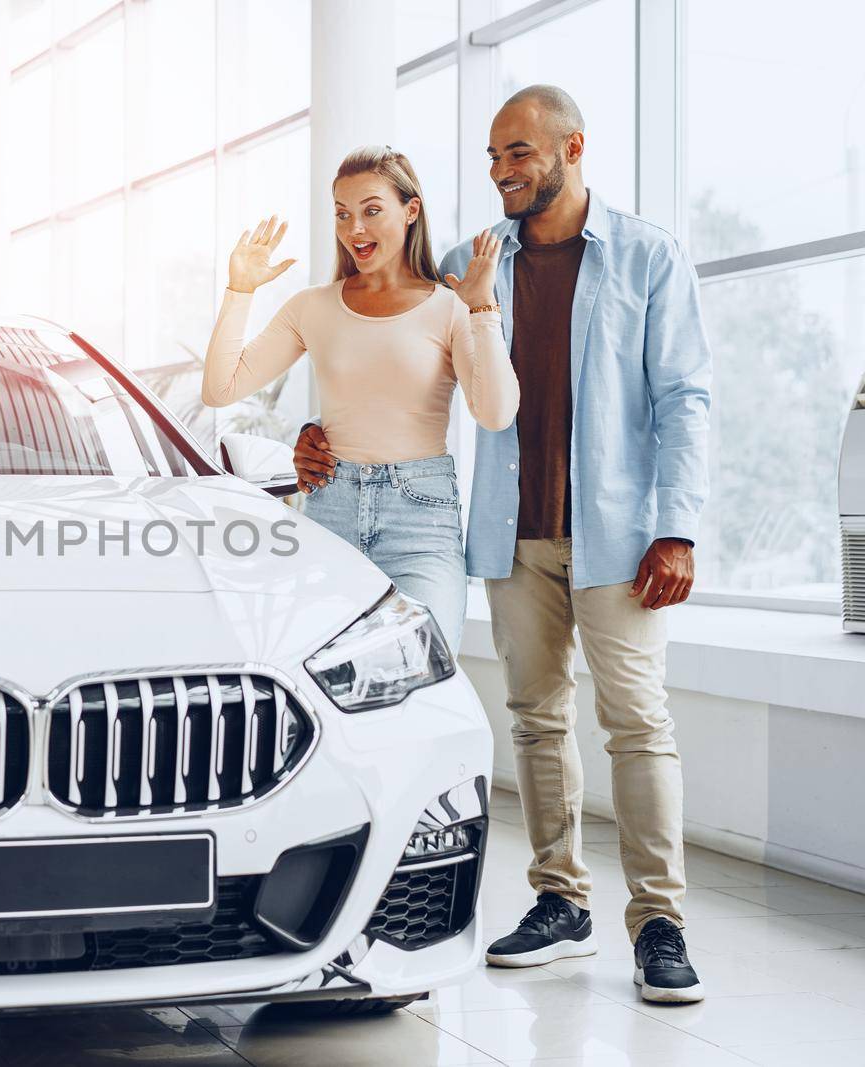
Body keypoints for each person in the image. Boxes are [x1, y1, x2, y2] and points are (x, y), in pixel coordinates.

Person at [297, 86, 713, 1004]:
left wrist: (677, 526)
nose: (500, 172)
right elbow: (380, 349)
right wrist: (316, 432)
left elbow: (686, 397)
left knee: (638, 723)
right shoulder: (464, 265)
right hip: (512, 531)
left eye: (517, 154)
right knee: (534, 717)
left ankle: (660, 923)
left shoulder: (647, 255)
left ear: (572, 146)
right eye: (492, 157)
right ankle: (560, 900)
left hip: (622, 535)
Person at [201, 146, 517, 653]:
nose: (355, 230)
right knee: (325, 682)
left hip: (421, 520)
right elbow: (220, 389)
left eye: (372, 210)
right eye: (343, 214)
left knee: (419, 672)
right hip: (331, 512)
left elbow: (496, 414)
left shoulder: (449, 306)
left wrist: (482, 307)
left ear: (410, 211)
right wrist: (240, 291)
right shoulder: (313, 307)